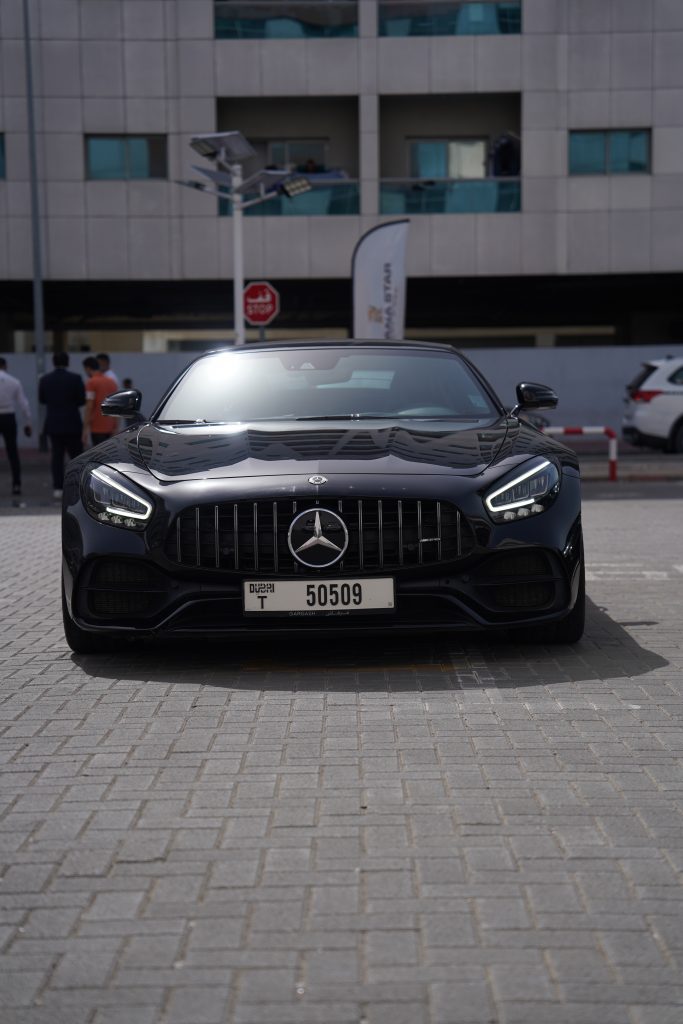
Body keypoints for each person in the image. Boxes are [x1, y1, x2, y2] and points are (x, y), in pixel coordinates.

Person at [39, 352, 86, 498]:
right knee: (76, 456)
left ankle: (58, 487)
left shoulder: (45, 379)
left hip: (54, 423)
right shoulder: (76, 378)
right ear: (68, 362)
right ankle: (78, 484)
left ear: (53, 363)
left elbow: (42, 399)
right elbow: (81, 400)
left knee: (57, 457)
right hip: (72, 422)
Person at [0, 357, 32, 496]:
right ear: (5, 366)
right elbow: (23, 403)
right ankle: (16, 485)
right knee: (12, 452)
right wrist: (28, 421)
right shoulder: (14, 381)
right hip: (8, 416)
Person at [82, 356, 118, 447]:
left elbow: (89, 406)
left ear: (88, 368)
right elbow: (117, 405)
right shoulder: (112, 382)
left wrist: (85, 429)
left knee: (98, 456)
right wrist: (116, 426)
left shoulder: (91, 382)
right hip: (110, 426)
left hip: (96, 426)